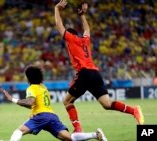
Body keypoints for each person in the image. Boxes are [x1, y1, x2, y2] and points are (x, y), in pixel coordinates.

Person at [54, 0, 144, 132]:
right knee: (106, 104)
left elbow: (59, 25)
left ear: (69, 36)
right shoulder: (85, 41)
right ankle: (134, 110)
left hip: (84, 73)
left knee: (67, 101)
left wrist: (56, 8)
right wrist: (82, 15)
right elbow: (87, 29)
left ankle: (78, 129)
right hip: (96, 74)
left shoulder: (71, 39)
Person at [1, 65, 107, 141]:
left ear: (28, 78)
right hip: (51, 116)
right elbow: (33, 105)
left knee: (19, 131)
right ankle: (95, 135)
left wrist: (13, 99)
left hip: (41, 116)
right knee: (68, 138)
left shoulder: (32, 88)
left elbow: (29, 102)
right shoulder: (43, 87)